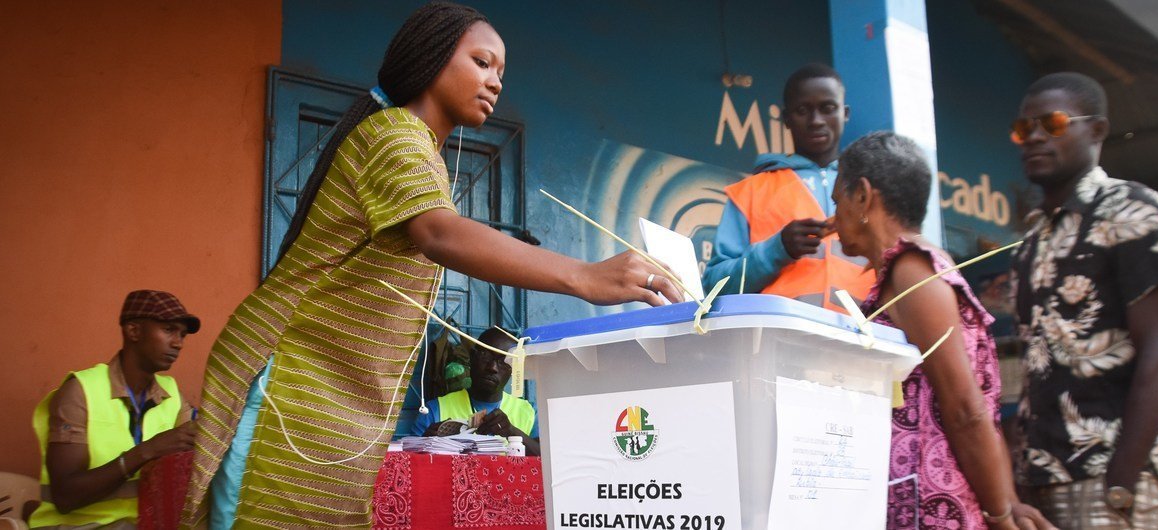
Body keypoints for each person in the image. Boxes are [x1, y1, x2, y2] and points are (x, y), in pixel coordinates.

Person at [181, 3, 683, 528]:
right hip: (289, 380)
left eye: (501, 72)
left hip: (328, 391)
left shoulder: (420, 150)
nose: (495, 81)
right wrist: (585, 276)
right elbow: (439, 233)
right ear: (433, 57)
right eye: (482, 62)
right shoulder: (395, 134)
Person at [831, 132, 1055, 529]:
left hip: (932, 506)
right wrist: (1007, 500)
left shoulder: (912, 273)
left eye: (837, 202)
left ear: (863, 196)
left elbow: (966, 408)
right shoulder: (916, 269)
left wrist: (1001, 514)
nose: (833, 219)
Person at [1009, 72, 1158, 528]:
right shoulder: (1030, 243)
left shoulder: (1131, 211)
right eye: (1024, 129)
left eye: (1053, 123)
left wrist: (1122, 479)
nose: (1035, 137)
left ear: (1097, 130)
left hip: (1116, 476)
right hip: (1041, 479)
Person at [703, 63, 875, 312]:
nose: (816, 121)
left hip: (867, 334)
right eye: (803, 110)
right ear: (786, 119)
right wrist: (777, 249)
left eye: (827, 108)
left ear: (845, 113)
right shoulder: (752, 191)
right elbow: (713, 288)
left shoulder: (870, 189)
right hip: (776, 334)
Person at [30, 290, 199, 529]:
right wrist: (147, 451)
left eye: (182, 334)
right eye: (169, 330)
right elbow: (65, 497)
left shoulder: (171, 393)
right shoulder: (80, 391)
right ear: (133, 331)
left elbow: (201, 449)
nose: (178, 343)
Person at [412, 328, 540, 456]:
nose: (492, 368)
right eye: (485, 355)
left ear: (514, 368)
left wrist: (511, 431)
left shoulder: (529, 413)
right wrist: (425, 444)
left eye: (504, 361)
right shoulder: (435, 410)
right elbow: (408, 461)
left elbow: (547, 457)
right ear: (472, 357)